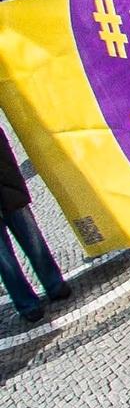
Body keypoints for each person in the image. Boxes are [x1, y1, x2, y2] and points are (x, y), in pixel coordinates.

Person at [0, 127, 71, 323]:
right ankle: (27, 304)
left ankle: (54, 284)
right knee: (3, 258)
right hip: (7, 183)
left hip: (6, 184)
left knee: (32, 237)